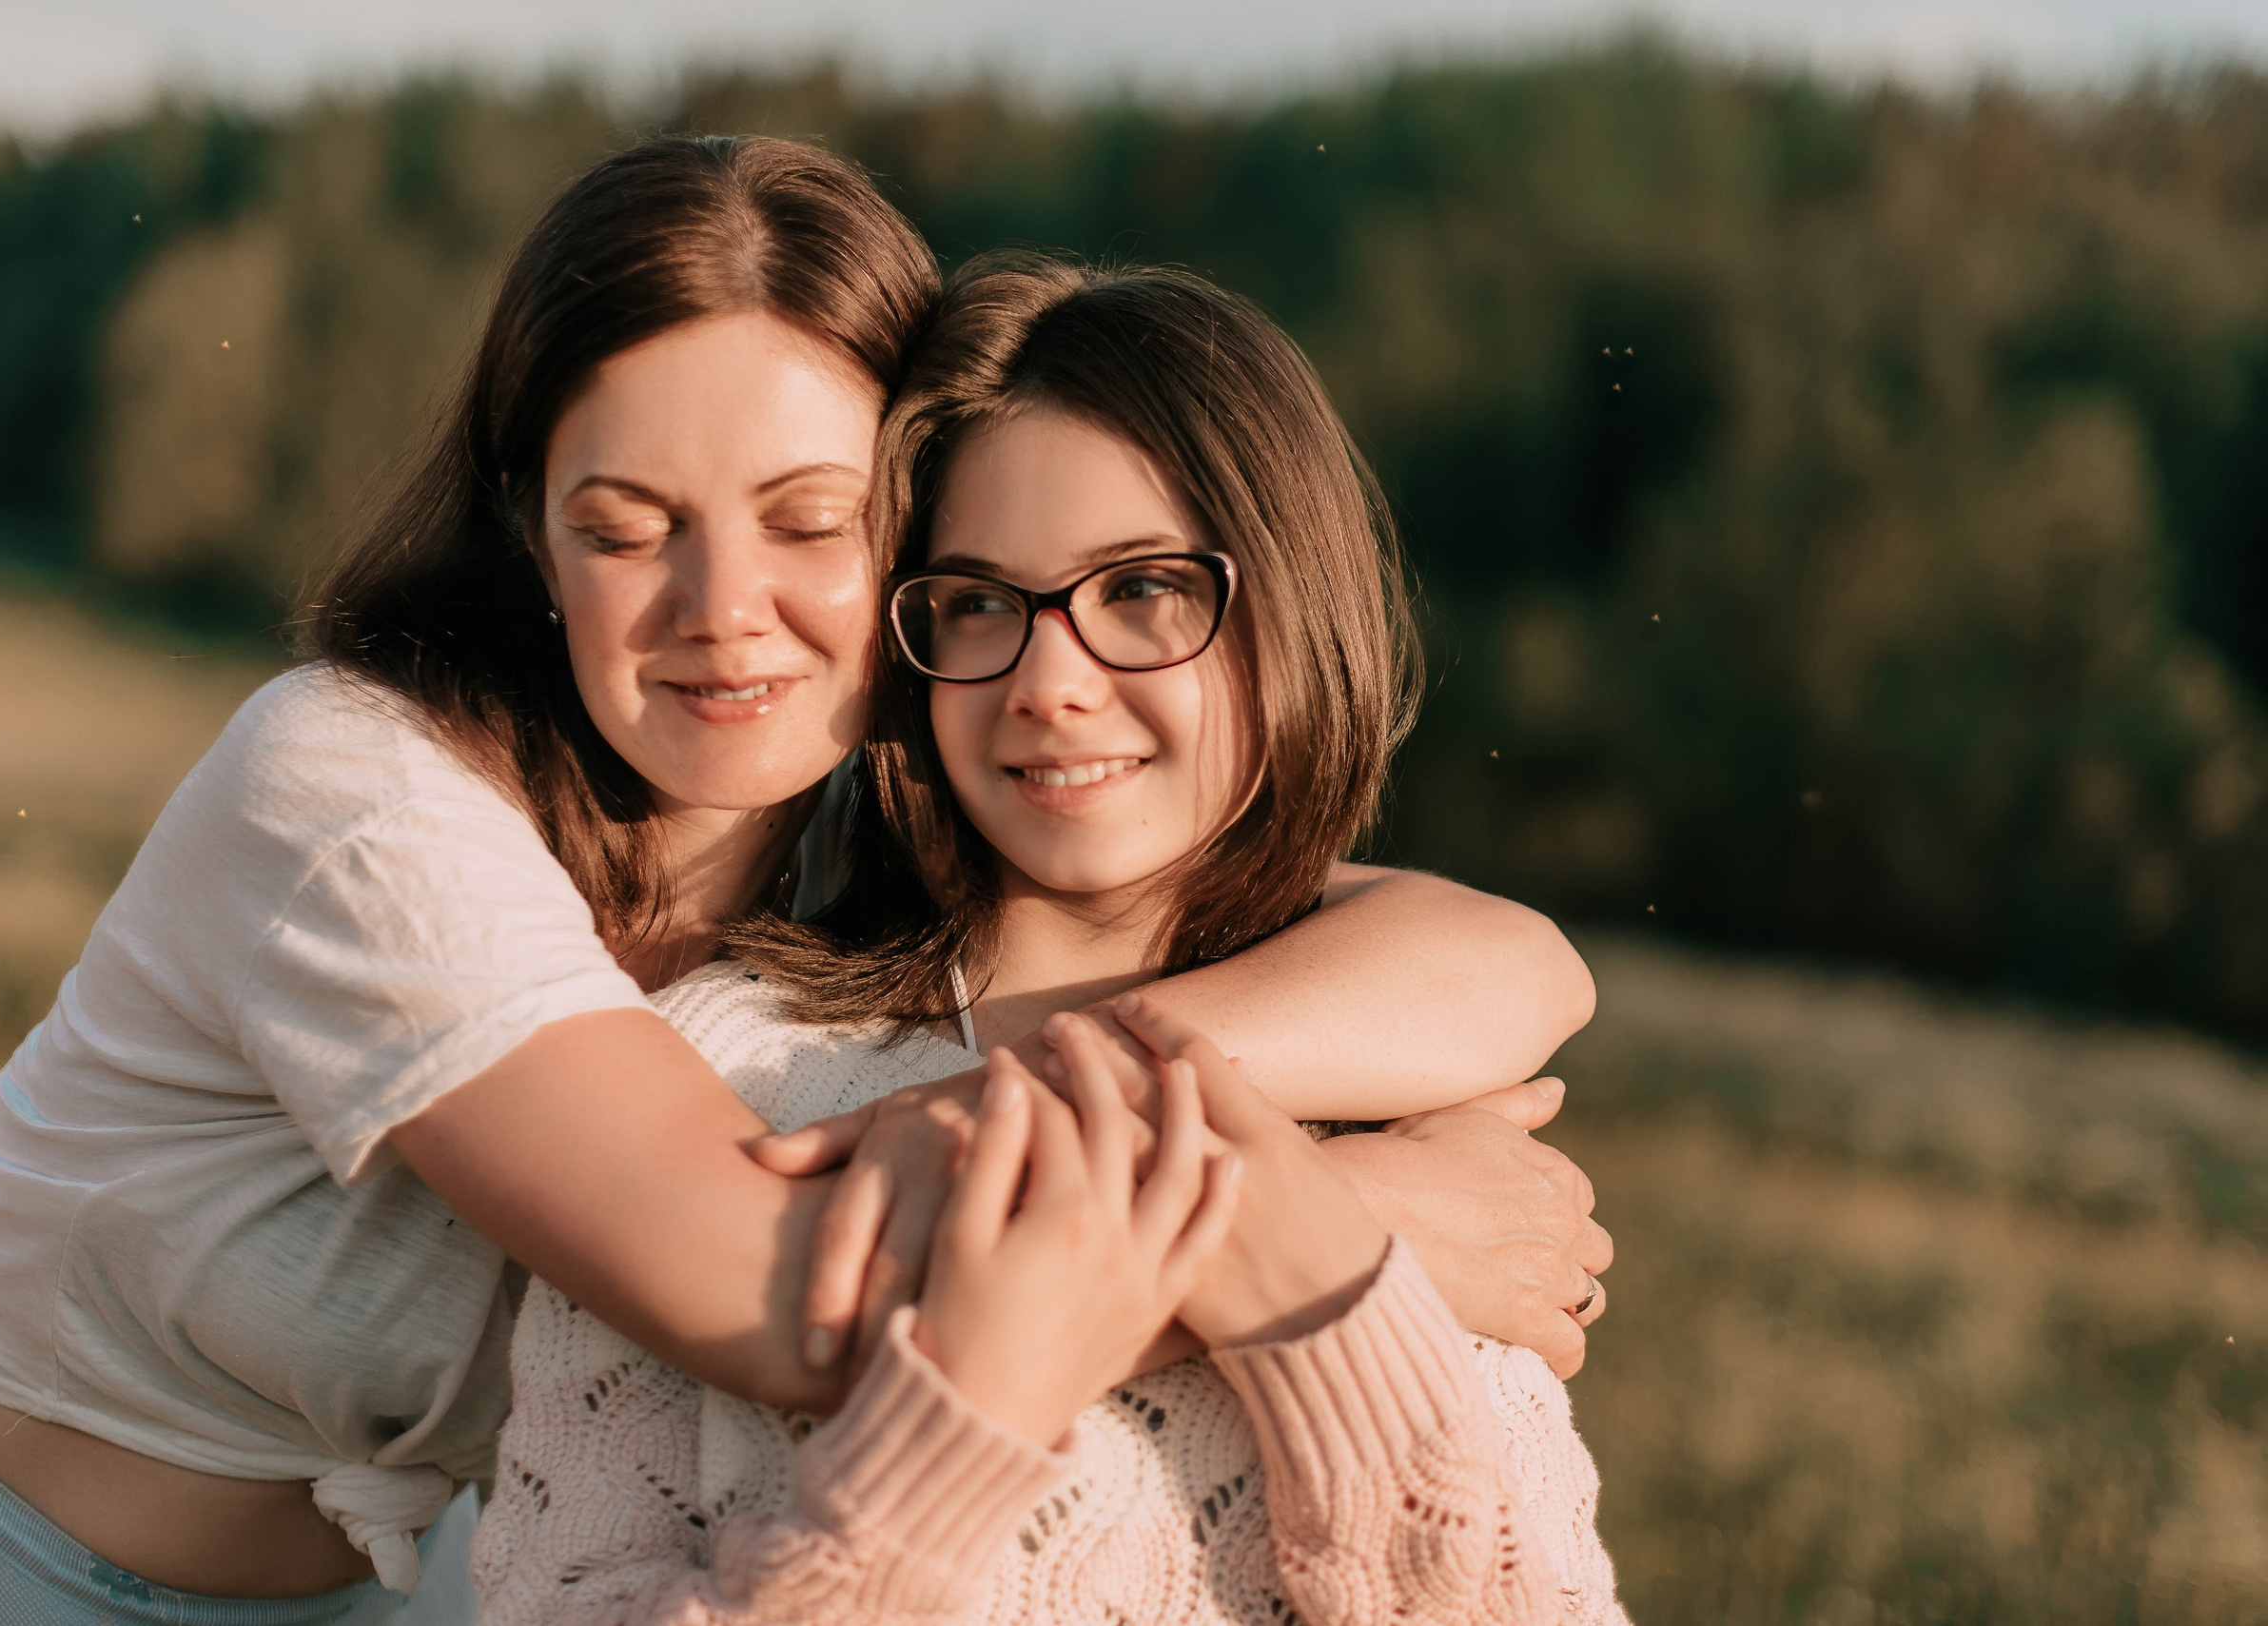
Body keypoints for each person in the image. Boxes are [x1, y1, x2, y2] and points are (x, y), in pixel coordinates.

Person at [0, 139, 1602, 1626]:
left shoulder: (853, 820)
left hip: (369, 1581)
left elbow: (1503, 962)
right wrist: (1347, 1234)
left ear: (903, 539)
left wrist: (1076, 1085)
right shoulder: (358, 795)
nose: (722, 606)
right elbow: (793, 1297)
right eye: (626, 527)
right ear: (530, 535)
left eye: (809, 519)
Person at [471, 257, 1624, 1624]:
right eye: (977, 604)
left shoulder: (1396, 1097)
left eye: (1142, 589)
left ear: (1293, 601)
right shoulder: (726, 1079)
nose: (1051, 684)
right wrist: (952, 1429)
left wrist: (1310, 1280)